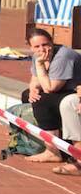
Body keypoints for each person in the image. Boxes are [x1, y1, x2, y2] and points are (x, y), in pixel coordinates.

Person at [22, 28, 81, 163]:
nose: (42, 49)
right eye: (37, 46)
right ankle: (38, 140)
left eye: (46, 44)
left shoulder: (63, 56)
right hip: (60, 90)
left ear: (52, 42)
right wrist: (32, 90)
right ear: (30, 47)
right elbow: (35, 80)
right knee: (28, 95)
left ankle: (53, 150)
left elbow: (50, 88)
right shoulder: (37, 56)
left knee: (42, 100)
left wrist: (40, 65)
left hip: (73, 90)